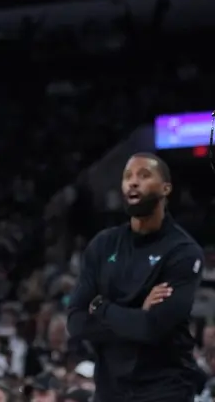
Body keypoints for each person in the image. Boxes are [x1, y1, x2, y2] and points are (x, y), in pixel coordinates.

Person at [66, 153, 204, 402]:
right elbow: (76, 322)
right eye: (127, 176)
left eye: (144, 175)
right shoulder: (103, 245)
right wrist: (138, 313)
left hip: (165, 387)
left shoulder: (182, 251)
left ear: (166, 188)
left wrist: (101, 307)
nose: (133, 182)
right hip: (110, 388)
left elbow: (152, 328)